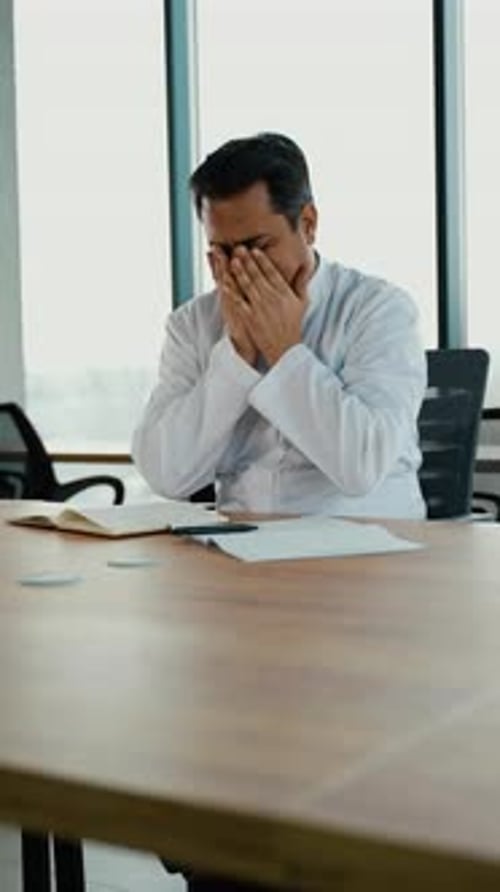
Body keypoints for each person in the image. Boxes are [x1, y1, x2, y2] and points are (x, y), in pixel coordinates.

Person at [132, 132, 426, 519]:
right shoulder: (193, 325)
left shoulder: (379, 309)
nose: (241, 270)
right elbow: (166, 475)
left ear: (307, 223)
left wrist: (285, 353)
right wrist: (235, 356)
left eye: (257, 248)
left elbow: (361, 467)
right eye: (223, 252)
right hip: (241, 548)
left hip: (368, 546)